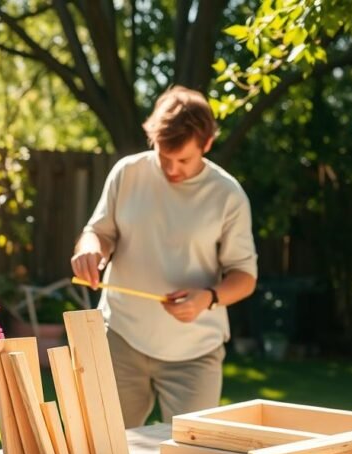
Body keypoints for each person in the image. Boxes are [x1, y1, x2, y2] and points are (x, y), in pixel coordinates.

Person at [70, 86, 258, 428]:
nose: (171, 169)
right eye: (162, 156)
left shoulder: (228, 195)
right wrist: (89, 249)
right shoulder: (127, 172)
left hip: (195, 353)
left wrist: (209, 298)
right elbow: (99, 231)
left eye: (183, 160)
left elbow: (244, 277)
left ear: (207, 144)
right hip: (121, 338)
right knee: (107, 453)